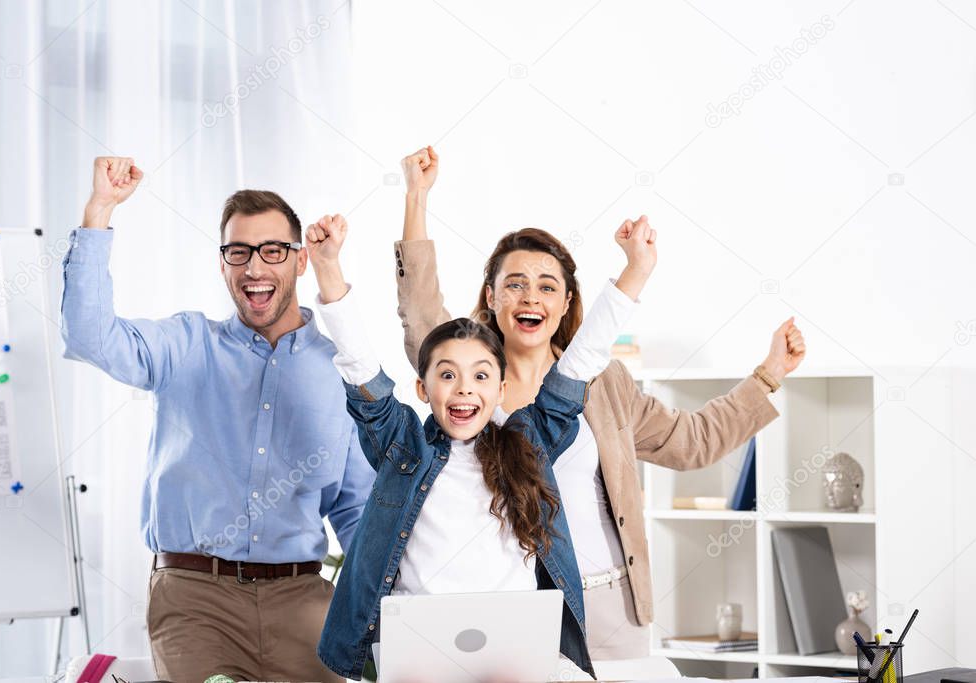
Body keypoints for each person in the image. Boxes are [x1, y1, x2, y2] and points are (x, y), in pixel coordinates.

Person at [394, 145, 807, 659]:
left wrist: (768, 375)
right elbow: (420, 315)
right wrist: (417, 197)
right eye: (514, 284)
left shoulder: (603, 381)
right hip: (514, 607)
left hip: (611, 605)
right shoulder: (465, 380)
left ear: (566, 303)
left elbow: (691, 443)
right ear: (491, 295)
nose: (530, 298)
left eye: (547, 287)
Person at [60, 157, 374, 682]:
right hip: (194, 601)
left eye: (272, 251)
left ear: (299, 262)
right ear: (223, 263)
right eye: (239, 252)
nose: (254, 268)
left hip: (302, 601)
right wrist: (100, 211)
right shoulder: (185, 345)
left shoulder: (342, 367)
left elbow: (357, 508)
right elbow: (91, 336)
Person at [305, 212, 655, 680]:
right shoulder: (403, 444)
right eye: (447, 375)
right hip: (419, 647)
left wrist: (635, 271)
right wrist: (328, 266)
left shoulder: (528, 441)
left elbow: (581, 362)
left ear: (501, 387)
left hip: (511, 645)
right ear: (422, 388)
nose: (465, 389)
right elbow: (359, 367)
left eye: (481, 376)